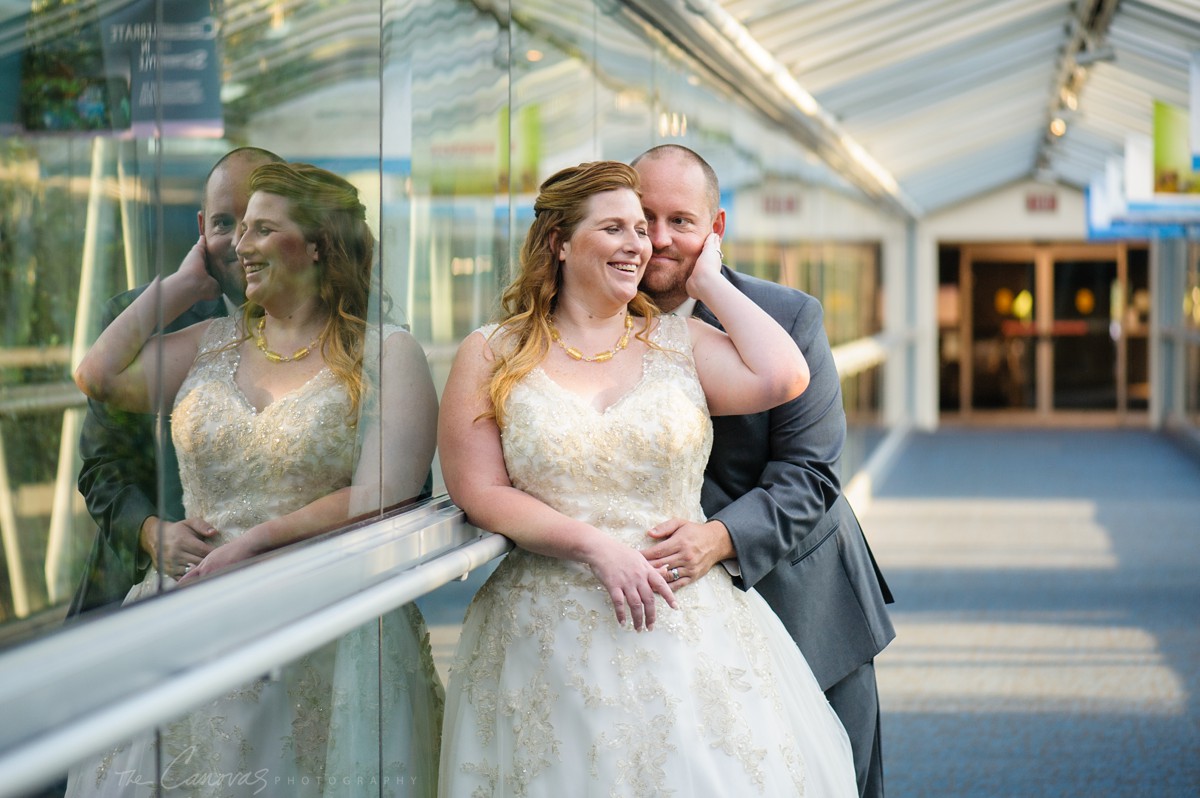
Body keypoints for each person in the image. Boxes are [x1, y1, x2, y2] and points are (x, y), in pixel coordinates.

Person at [437, 160, 856, 796]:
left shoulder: (677, 340)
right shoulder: (492, 351)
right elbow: (479, 491)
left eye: (646, 228)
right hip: (546, 627)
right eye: (617, 228)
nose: (643, 244)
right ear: (559, 241)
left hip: (683, 618)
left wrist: (709, 279)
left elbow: (783, 378)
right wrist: (594, 546)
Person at [66, 162, 443, 796]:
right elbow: (97, 375)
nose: (240, 245)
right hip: (193, 615)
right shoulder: (210, 341)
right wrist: (183, 286)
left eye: (262, 229)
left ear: (318, 244)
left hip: (322, 617)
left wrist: (256, 542)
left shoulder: (386, 352)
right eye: (237, 231)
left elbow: (389, 492)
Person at [633, 144, 896, 798]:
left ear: (716, 229)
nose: (660, 239)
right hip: (656, 618)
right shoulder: (591, 323)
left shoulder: (789, 317)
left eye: (681, 221)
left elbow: (811, 474)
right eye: (643, 218)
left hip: (801, 599)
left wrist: (717, 539)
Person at [69, 147, 283, 616]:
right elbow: (101, 469)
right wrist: (151, 532)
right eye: (225, 224)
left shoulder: (345, 335)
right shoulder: (140, 324)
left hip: (291, 590)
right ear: (202, 228)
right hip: (149, 594)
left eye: (257, 222)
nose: (240, 242)